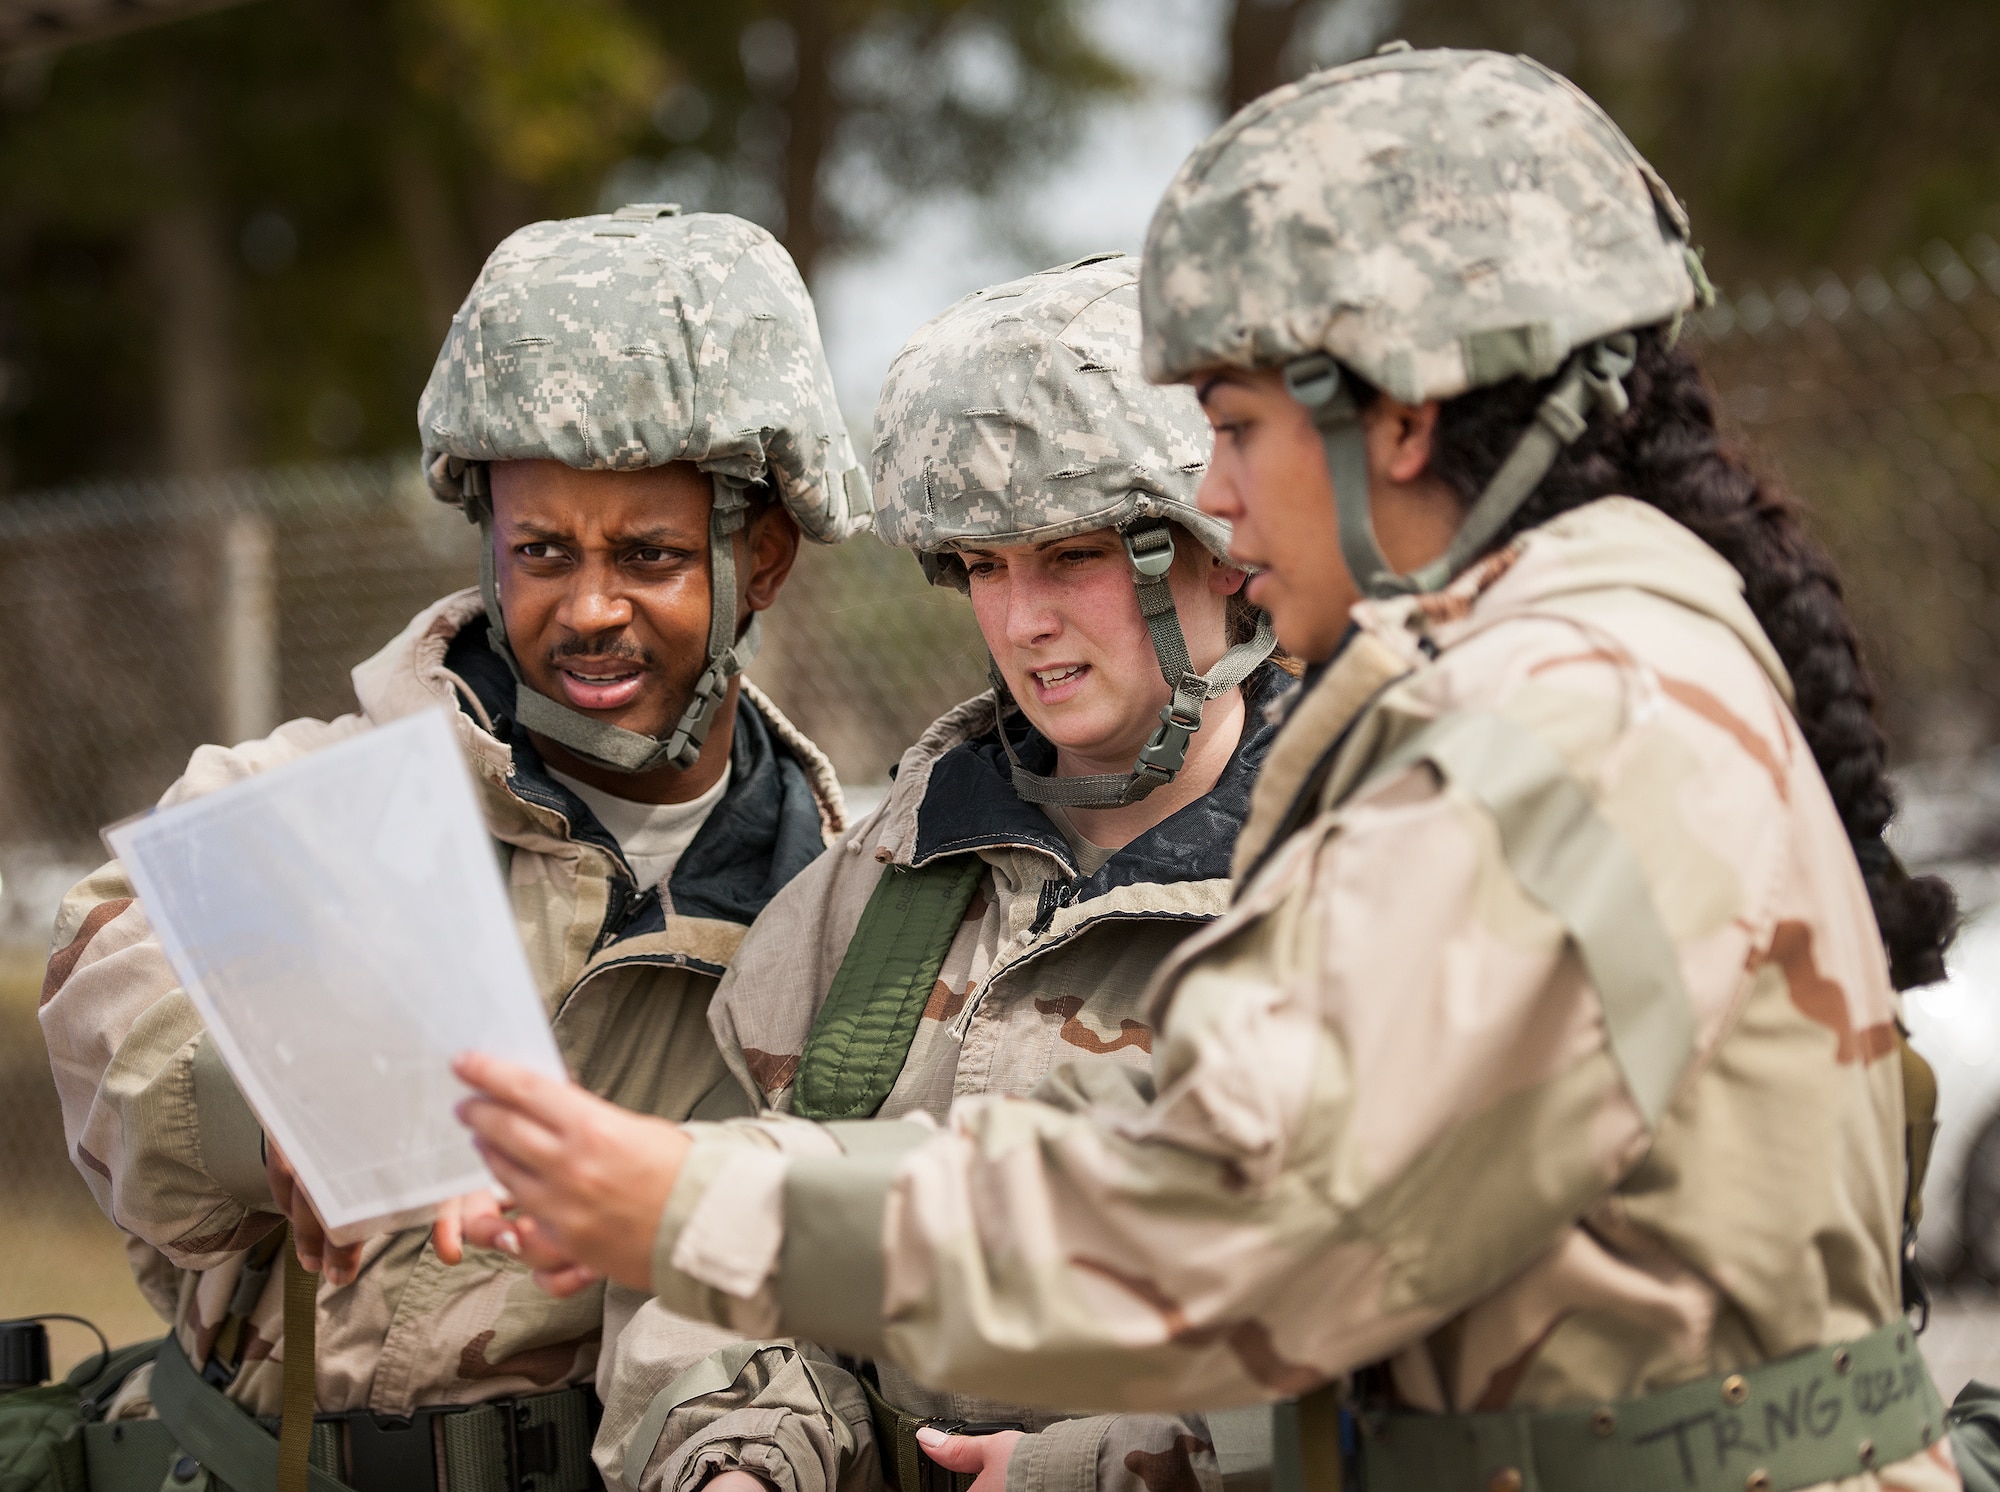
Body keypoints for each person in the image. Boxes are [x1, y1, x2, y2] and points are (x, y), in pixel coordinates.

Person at [457, 49, 1967, 1492]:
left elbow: (1239, 1213)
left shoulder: (1551, 718)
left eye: (1239, 429)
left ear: (1403, 411)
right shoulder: (1618, 651)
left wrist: (696, 1206)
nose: (1222, 504)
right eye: (982, 566)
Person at [39, 204, 869, 1491]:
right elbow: (109, 994)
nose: (588, 609)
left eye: (647, 555)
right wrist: (276, 1120)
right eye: (541, 552)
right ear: (486, 536)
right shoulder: (316, 796)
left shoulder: (829, 901)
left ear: (760, 556)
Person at [589, 253, 1288, 1492]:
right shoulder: (880, 894)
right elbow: (716, 1248)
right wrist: (735, 1457)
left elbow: (1462, 1352)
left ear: (1221, 550)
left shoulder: (1363, 874)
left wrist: (1114, 1468)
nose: (1021, 620)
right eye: (982, 565)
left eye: (1071, 556)